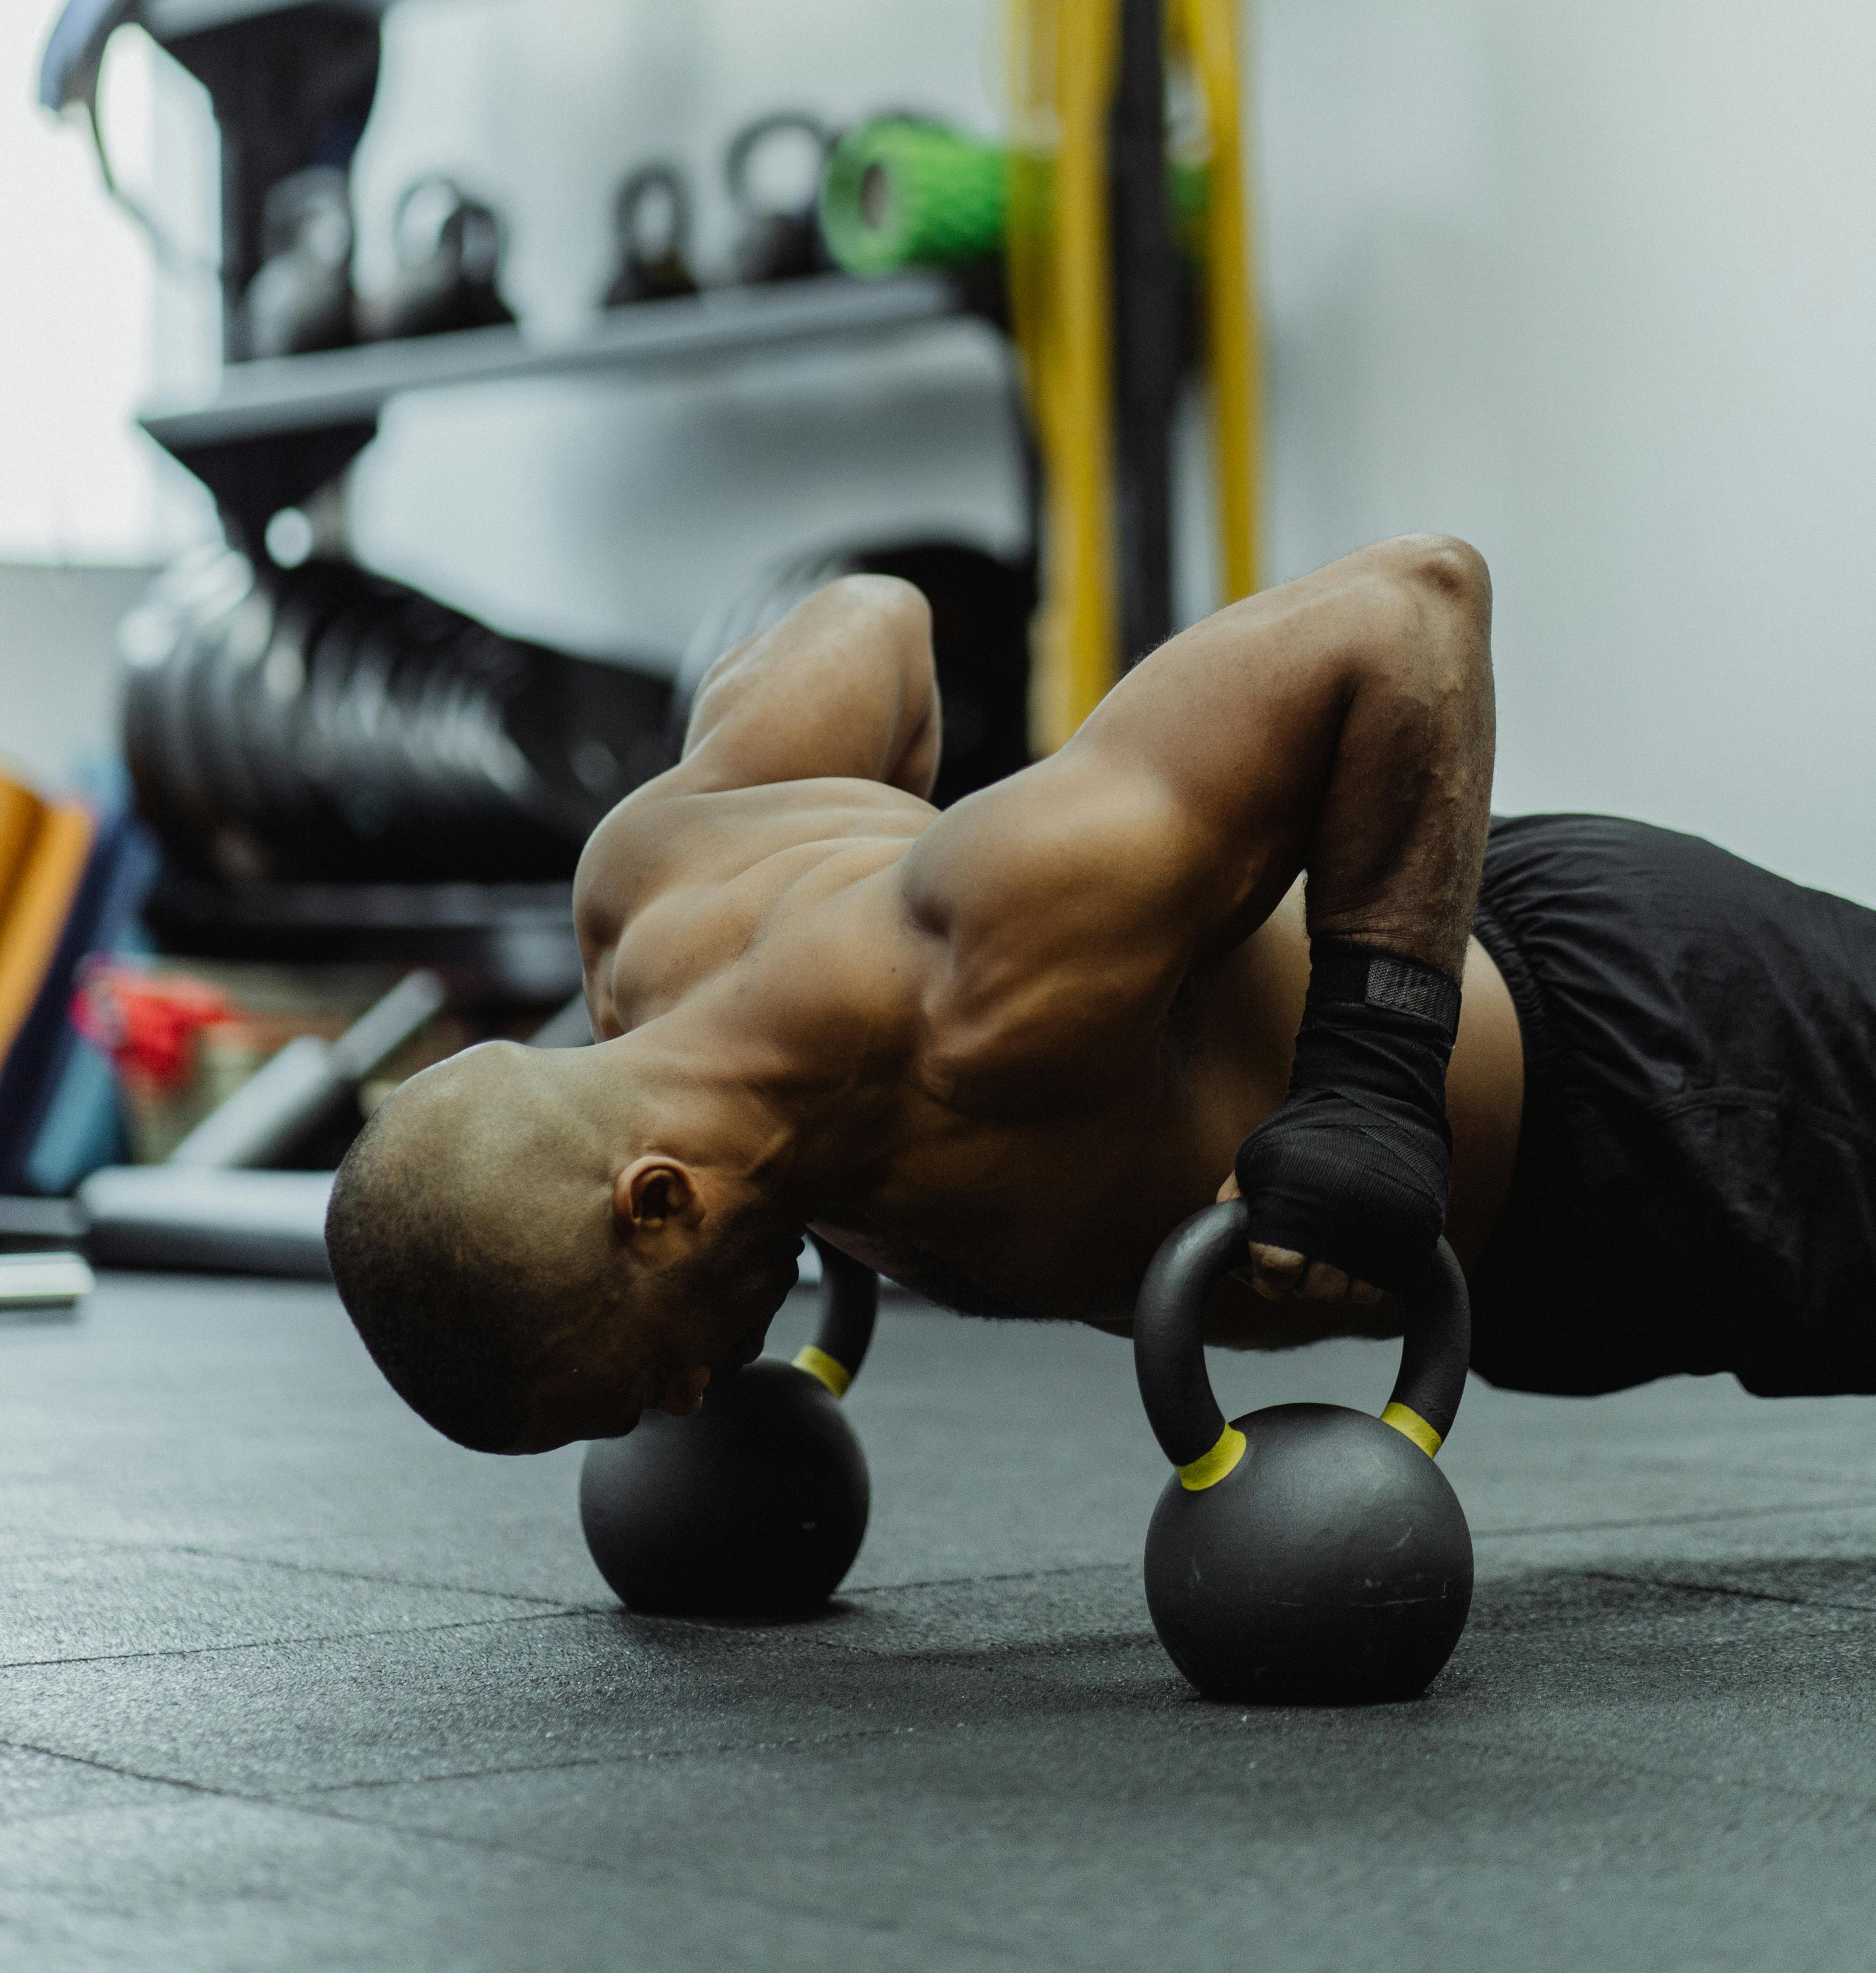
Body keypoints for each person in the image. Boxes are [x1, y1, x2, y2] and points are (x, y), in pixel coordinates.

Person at [327, 538, 1876, 1452]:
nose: (684, 1407)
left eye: (642, 1378)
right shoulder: (642, 903)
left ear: (656, 1201)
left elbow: (1411, 608)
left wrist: (1372, 1083)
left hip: (1661, 1067)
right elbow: (869, 620)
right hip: (1537, 1256)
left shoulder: (983, 974)